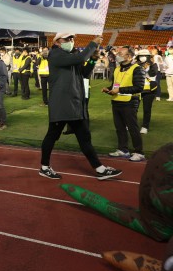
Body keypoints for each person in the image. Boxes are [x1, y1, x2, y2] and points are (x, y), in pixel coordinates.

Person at [39, 33, 122, 180]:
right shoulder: (56, 54)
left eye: (72, 39)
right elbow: (80, 58)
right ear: (57, 42)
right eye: (67, 39)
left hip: (74, 102)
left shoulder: (71, 54)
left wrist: (93, 60)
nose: (71, 41)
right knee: (53, 135)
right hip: (62, 103)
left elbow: (83, 73)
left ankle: (99, 168)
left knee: (84, 137)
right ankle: (45, 167)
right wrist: (93, 44)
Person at [104, 46, 146, 162]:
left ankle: (139, 152)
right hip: (116, 101)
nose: (118, 55)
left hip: (130, 102)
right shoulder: (117, 69)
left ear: (129, 56)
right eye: (118, 52)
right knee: (119, 127)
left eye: (121, 53)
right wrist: (108, 89)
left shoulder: (137, 69)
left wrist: (120, 90)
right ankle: (123, 149)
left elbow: (138, 87)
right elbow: (115, 86)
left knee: (133, 128)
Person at [136, 49, 158, 135]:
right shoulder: (136, 65)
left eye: (145, 56)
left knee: (147, 109)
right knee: (133, 109)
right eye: (141, 56)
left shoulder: (154, 65)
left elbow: (153, 74)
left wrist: (147, 66)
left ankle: (145, 126)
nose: (143, 58)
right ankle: (131, 124)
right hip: (137, 90)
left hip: (149, 91)